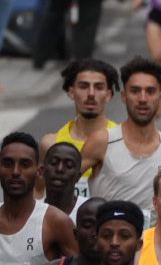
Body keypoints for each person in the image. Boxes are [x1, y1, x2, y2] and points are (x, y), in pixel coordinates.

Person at [85, 58, 161, 228]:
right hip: (108, 248)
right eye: (135, 91)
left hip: (154, 250)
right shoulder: (101, 142)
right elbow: (66, 189)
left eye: (150, 91)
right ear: (124, 96)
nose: (143, 98)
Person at [0, 133, 76, 265]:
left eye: (25, 164)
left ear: (39, 172)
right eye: (8, 164)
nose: (15, 172)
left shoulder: (55, 221)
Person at [48, 59, 121, 202]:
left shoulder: (121, 141)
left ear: (109, 95)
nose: (91, 94)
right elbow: (38, 193)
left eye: (99, 87)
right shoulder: (51, 143)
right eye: (83, 86)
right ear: (71, 92)